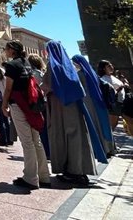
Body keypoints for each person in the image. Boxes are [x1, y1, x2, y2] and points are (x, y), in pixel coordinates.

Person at [44, 40, 106, 187]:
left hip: (60, 107)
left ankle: (71, 171)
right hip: (75, 107)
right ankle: (80, 170)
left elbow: (47, 85)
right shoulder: (70, 66)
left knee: (62, 136)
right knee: (78, 137)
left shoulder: (53, 66)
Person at [1, 40, 50, 190]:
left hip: (18, 104)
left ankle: (30, 178)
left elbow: (8, 89)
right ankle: (44, 176)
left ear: (12, 50)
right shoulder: (27, 63)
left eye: (6, 49)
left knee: (27, 142)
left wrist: (4, 105)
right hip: (31, 104)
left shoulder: (11, 65)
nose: (5, 51)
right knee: (36, 141)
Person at [73, 55, 115, 157]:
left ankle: (100, 149)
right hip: (98, 101)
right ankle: (109, 148)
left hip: (88, 101)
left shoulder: (79, 74)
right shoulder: (92, 73)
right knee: (103, 124)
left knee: (94, 125)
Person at [98, 60, 127, 130]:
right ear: (103, 68)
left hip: (122, 102)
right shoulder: (103, 79)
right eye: (108, 66)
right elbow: (110, 93)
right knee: (112, 126)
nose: (111, 67)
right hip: (115, 105)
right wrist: (121, 87)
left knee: (115, 124)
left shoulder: (112, 77)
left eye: (111, 65)